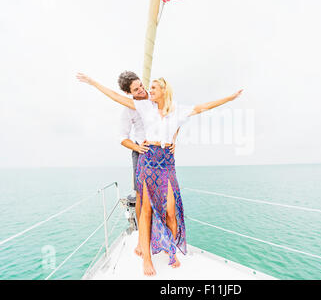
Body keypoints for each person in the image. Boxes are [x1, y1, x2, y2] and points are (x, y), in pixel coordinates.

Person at [77, 73, 243, 276]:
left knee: (171, 211)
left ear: (164, 90)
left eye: (153, 88)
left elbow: (203, 107)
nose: (148, 91)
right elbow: (116, 98)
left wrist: (230, 98)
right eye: (145, 88)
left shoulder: (177, 110)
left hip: (167, 162)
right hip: (148, 158)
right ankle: (146, 259)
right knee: (146, 209)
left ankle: (170, 249)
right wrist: (94, 83)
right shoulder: (144, 107)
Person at [77, 71, 177, 259]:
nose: (141, 90)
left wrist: (173, 140)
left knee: (164, 196)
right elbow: (122, 138)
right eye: (135, 90)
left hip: (160, 154)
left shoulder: (155, 97)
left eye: (141, 85)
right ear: (128, 93)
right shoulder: (129, 108)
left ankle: (163, 237)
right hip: (141, 152)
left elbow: (173, 118)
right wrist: (137, 148)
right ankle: (142, 238)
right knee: (141, 195)